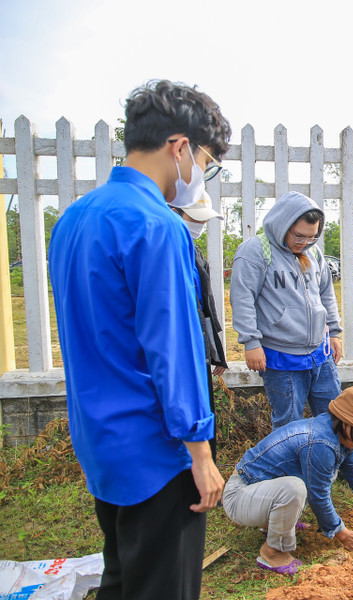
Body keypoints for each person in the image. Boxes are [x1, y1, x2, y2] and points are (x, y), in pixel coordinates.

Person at [47, 80, 231, 600]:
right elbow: (172, 350)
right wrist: (200, 452)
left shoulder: (73, 220)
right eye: (206, 162)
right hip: (157, 451)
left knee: (123, 577)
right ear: (179, 148)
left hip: (101, 440)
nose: (201, 177)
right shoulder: (158, 227)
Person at [222, 386, 353, 574]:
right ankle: (272, 553)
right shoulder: (321, 443)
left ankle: (277, 524)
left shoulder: (336, 432)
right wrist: (344, 535)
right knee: (295, 488)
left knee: (300, 485)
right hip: (240, 496)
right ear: (346, 422)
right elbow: (319, 496)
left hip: (260, 494)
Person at [230, 191, 343, 428]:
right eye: (299, 236)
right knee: (288, 425)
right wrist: (251, 343)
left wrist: (334, 332)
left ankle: (330, 465)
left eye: (312, 237)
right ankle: (287, 466)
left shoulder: (313, 253)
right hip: (281, 356)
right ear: (283, 225)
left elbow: (326, 294)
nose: (304, 243)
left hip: (320, 354)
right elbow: (242, 299)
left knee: (336, 418)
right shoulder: (255, 251)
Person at [171, 190, 229, 460]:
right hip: (176, 349)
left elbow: (204, 304)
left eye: (205, 221)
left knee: (203, 408)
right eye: (195, 218)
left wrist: (214, 350)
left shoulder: (192, 250)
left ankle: (205, 467)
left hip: (197, 347)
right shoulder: (167, 250)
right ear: (174, 213)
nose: (201, 225)